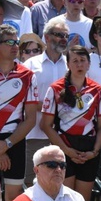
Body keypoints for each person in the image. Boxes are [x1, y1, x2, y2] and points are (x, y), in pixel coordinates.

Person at [41, 45, 101, 201]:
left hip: (88, 150)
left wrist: (94, 151)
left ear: (89, 64)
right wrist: (67, 151)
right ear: (68, 64)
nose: (79, 65)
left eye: (83, 61)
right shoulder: (55, 89)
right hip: (64, 146)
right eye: (75, 61)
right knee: (64, 200)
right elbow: (45, 125)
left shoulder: (98, 90)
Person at [0, 25, 39, 201]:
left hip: (15, 140)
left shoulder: (27, 76)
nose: (15, 46)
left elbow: (31, 118)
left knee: (13, 198)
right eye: (9, 42)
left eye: (16, 42)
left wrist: (6, 144)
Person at [23, 19, 69, 187]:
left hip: (63, 134)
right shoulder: (30, 65)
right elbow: (24, 99)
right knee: (32, 181)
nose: (63, 39)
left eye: (66, 35)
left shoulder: (71, 65)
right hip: (34, 133)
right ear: (47, 37)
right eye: (58, 35)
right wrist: (49, 108)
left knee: (58, 181)